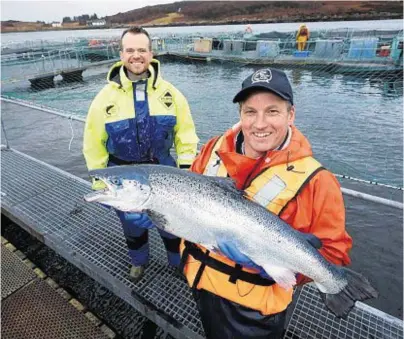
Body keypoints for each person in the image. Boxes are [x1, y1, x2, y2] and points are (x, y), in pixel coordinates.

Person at [179, 68, 352, 339]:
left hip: (254, 310)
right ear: (240, 115)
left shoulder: (318, 182)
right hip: (199, 280)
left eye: (272, 111)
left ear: (290, 115)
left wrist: (274, 265)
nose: (259, 124)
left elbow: (333, 253)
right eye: (250, 112)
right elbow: (185, 197)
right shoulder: (212, 148)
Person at [83, 26, 199, 283]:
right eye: (130, 50)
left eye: (142, 50)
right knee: (133, 227)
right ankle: (139, 262)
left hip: (165, 173)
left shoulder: (172, 94)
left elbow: (186, 136)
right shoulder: (103, 100)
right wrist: (100, 183)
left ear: (151, 53)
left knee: (172, 227)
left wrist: (186, 174)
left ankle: (176, 262)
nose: (136, 55)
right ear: (121, 54)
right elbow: (93, 145)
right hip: (123, 176)